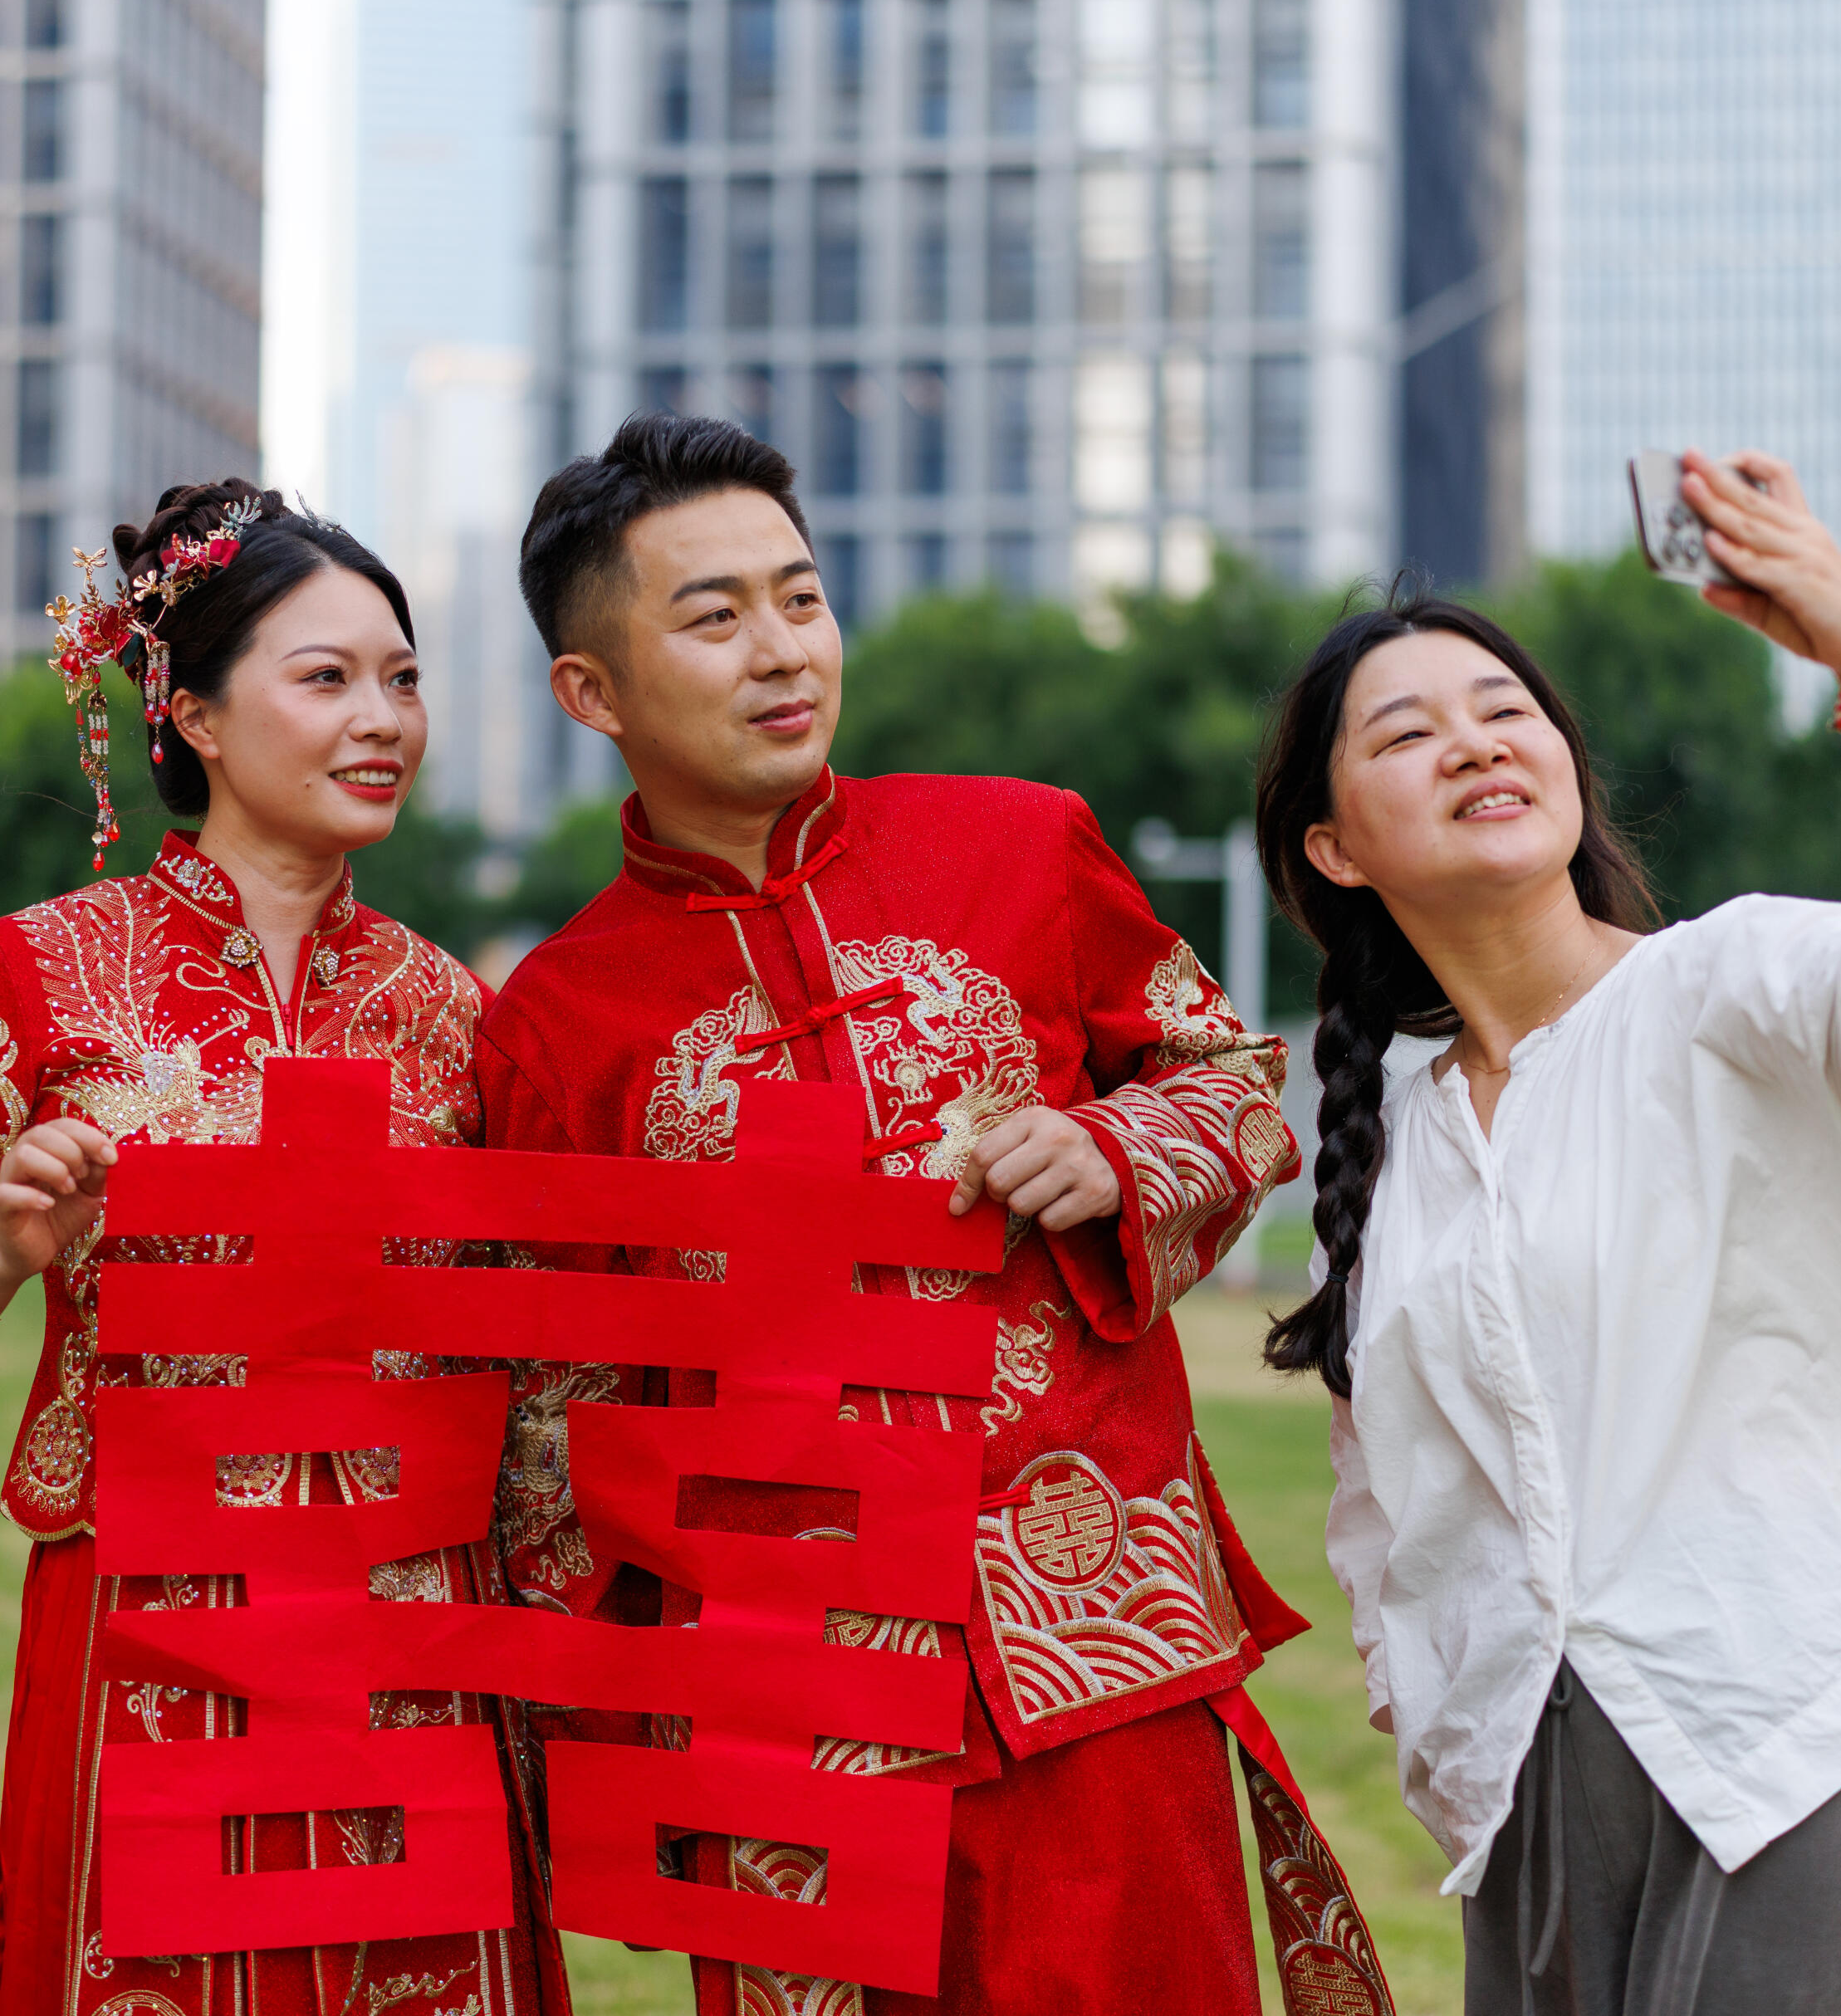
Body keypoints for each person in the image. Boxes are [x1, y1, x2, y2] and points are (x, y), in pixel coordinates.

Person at [474, 413, 1393, 2016]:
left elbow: (1238, 1087)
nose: (782, 651)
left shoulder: (1020, 844)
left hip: (1085, 1632)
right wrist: (607, 1745)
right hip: (774, 1701)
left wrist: (1116, 1150)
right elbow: (557, 1426)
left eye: (801, 598)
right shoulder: (558, 1021)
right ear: (591, 691)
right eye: (714, 616)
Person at [1265, 452, 1841, 2016]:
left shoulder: (1725, 990)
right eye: (1408, 734)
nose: (1475, 742)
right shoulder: (1384, 1135)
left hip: (1784, 1720)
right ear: (1336, 849)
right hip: (1531, 1780)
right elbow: (1383, 1490)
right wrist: (1425, 1698)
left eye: (1504, 710)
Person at [0, 482, 568, 2016]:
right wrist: (7, 1242)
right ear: (197, 716)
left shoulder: (454, 1010)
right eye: (327, 678)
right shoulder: (37, 974)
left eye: (405, 677)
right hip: (153, 1611)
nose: (383, 717)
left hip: (412, 1616)